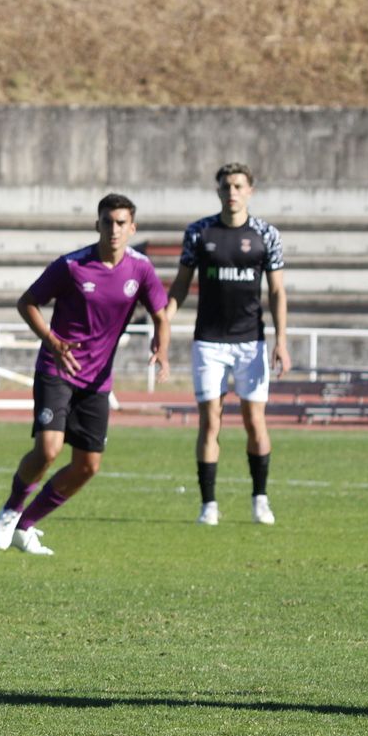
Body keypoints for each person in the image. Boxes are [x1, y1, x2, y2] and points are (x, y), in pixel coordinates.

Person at [0, 193, 171, 556]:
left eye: (121, 223)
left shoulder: (141, 268)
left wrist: (161, 347)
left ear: (132, 227)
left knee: (87, 466)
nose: (114, 229)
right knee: (48, 448)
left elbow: (161, 313)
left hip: (97, 380)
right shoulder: (72, 265)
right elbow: (27, 301)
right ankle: (11, 510)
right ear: (97, 224)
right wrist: (52, 341)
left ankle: (27, 525)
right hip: (57, 368)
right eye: (108, 221)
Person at [164, 162, 289, 526]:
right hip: (209, 342)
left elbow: (277, 290)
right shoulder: (199, 233)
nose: (231, 192)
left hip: (251, 342)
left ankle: (260, 499)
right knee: (210, 423)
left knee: (255, 421)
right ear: (218, 191)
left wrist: (281, 340)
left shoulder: (266, 234)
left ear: (250, 190)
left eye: (238, 186)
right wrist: (165, 319)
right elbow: (182, 284)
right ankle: (209, 505)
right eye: (226, 187)